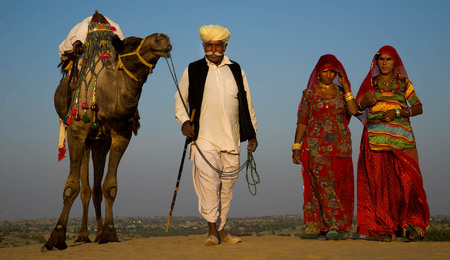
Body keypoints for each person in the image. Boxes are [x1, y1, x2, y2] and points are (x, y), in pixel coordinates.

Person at [174, 24, 258, 246]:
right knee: (210, 185)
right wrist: (184, 121)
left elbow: (246, 102)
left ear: (225, 46)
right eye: (208, 45)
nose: (213, 49)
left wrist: (252, 134)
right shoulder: (193, 69)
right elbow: (180, 100)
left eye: (217, 45)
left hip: (231, 138)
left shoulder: (236, 69)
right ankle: (212, 230)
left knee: (227, 186)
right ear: (203, 46)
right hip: (203, 138)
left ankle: (221, 229)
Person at [355, 45, 430, 242]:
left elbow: (418, 107)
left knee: (408, 183)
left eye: (389, 59)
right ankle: (385, 228)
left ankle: (413, 226)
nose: (385, 63)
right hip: (376, 141)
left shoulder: (404, 83)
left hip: (402, 140)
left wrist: (398, 112)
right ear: (376, 62)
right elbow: (354, 110)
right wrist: (363, 103)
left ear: (395, 62)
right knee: (380, 185)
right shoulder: (369, 84)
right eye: (381, 59)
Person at [292, 54, 358, 240]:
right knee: (322, 185)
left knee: (339, 186)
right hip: (315, 146)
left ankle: (330, 226)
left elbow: (353, 111)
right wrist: (296, 145)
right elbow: (302, 121)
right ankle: (332, 225)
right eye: (325, 71)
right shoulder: (309, 94)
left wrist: (346, 88)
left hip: (341, 147)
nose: (328, 74)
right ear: (318, 72)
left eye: (332, 71)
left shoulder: (342, 93)